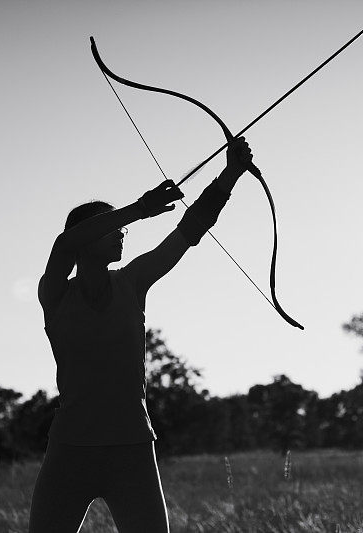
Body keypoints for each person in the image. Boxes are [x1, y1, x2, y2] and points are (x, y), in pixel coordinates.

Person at [28, 138, 254, 532]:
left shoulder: (132, 283)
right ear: (86, 236)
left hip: (131, 446)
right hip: (70, 449)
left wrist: (230, 174)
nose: (121, 233)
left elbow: (188, 231)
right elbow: (64, 244)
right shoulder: (55, 294)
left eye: (123, 228)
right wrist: (138, 210)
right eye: (111, 227)